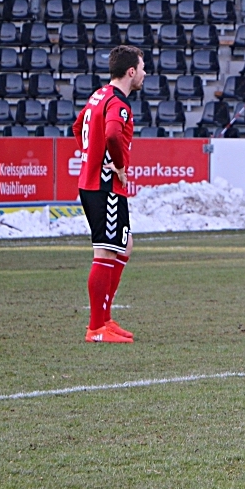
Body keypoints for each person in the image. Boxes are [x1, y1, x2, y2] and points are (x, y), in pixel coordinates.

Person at [72, 45, 145, 343]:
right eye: (141, 68)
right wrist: (115, 164)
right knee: (104, 251)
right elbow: (114, 134)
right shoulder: (119, 104)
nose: (144, 73)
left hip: (96, 182)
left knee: (123, 246)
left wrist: (90, 155)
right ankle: (95, 328)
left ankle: (105, 318)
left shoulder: (98, 96)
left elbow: (78, 126)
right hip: (104, 185)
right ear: (130, 72)